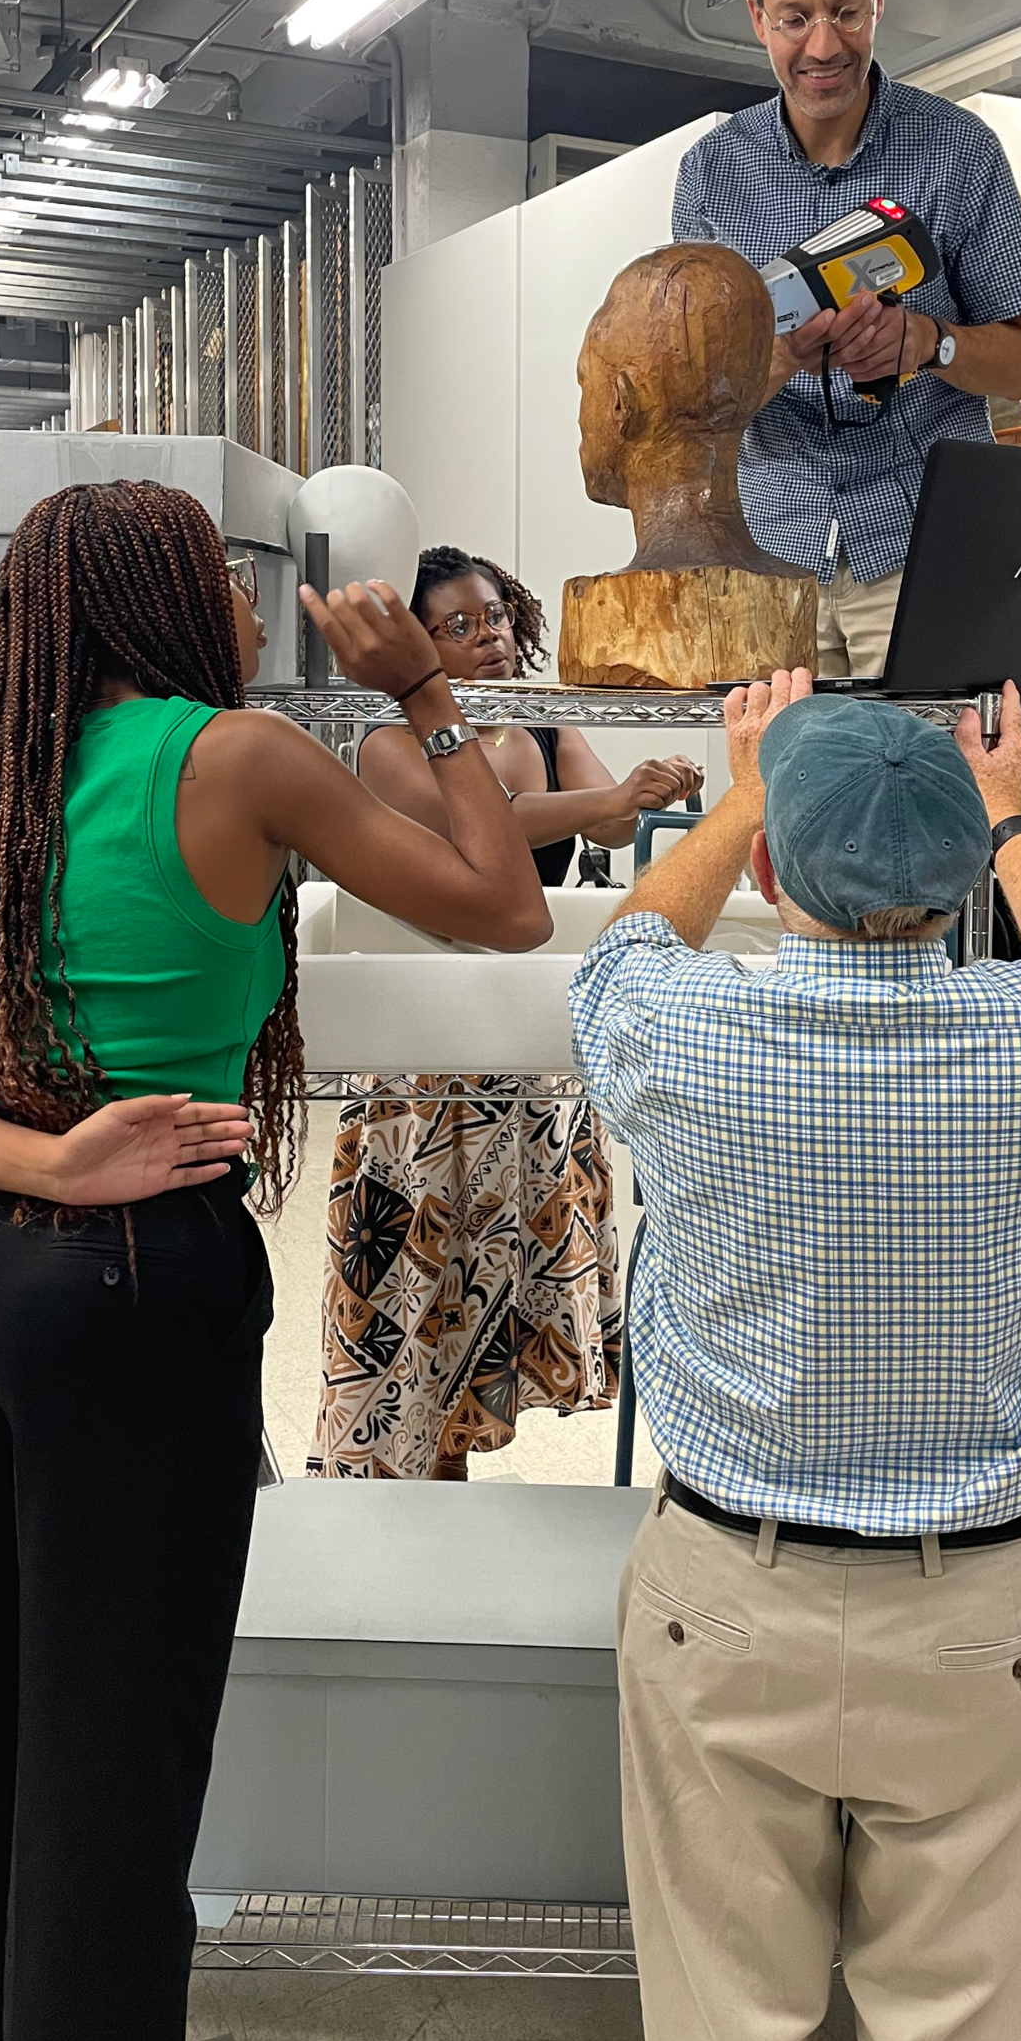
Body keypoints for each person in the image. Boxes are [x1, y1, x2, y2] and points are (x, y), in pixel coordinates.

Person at [0, 480, 547, 2041]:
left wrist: (38, 1156)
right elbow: (503, 905)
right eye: (220, 573)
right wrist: (426, 693)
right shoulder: (235, 757)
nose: (245, 598)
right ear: (155, 595)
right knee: (111, 1749)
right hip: (129, 1279)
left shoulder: (4, 781)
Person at [569, 674, 1021, 2041]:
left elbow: (630, 940)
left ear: (772, 867)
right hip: (983, 1613)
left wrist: (748, 794)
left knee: (721, 2022)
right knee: (968, 2024)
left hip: (723, 1601)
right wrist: (1011, 824)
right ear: (966, 880)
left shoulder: (678, 1034)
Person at [310, 543, 700, 1480]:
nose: (488, 639)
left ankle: (454, 1501)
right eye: (459, 626)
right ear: (414, 642)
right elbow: (473, 827)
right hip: (427, 1069)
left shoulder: (544, 726)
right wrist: (605, 799)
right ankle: (412, 1512)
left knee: (493, 1319)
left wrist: (639, 794)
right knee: (419, 1317)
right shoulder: (386, 744)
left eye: (496, 619)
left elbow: (604, 820)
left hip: (527, 1068)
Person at [672, 0, 1021, 679]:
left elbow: (1020, 362)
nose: (823, 45)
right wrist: (778, 360)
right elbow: (698, 403)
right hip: (771, 553)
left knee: (934, 794)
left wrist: (927, 342)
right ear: (755, 18)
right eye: (794, 17)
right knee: (781, 801)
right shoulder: (710, 176)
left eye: (846, 10)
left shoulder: (960, 151)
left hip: (927, 546)